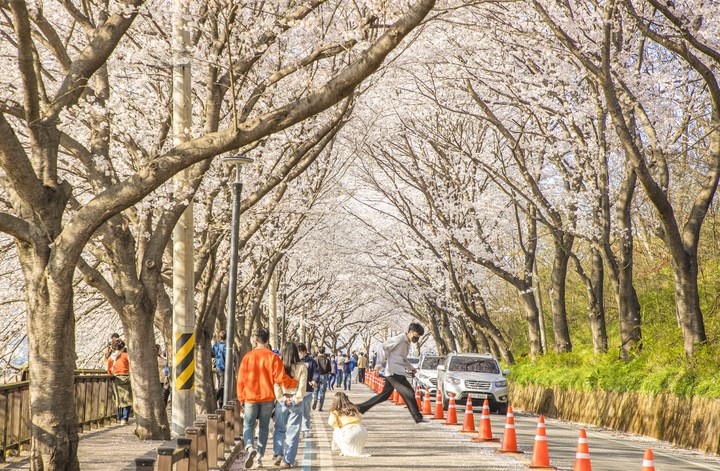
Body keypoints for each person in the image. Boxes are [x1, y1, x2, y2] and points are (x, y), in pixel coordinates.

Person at [237, 327, 298, 469]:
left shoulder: (247, 357)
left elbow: (241, 380)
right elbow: (281, 378)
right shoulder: (273, 357)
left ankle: (250, 446)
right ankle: (258, 458)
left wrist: (241, 398)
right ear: (267, 339)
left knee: (248, 425)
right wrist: (295, 383)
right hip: (267, 398)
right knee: (264, 427)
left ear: (255, 339)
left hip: (250, 397)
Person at [357, 322, 425, 423]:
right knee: (409, 393)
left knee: (384, 395)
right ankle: (418, 417)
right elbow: (383, 347)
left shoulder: (407, 343)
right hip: (394, 372)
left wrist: (412, 369)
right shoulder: (399, 339)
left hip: (396, 371)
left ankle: (360, 408)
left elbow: (403, 359)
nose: (416, 339)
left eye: (418, 337)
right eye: (416, 336)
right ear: (410, 332)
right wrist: (379, 363)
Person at [272, 342, 307, 468]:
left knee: (279, 428)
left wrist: (281, 399)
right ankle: (287, 460)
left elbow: (276, 384)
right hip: (295, 402)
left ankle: (278, 453)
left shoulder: (279, 366)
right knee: (293, 430)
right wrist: (294, 399)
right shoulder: (302, 367)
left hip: (281, 401)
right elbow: (302, 387)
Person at [328, 392, 369, 457]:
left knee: (336, 431)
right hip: (362, 431)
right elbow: (360, 417)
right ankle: (352, 450)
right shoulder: (354, 408)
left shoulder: (335, 411)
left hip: (349, 431)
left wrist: (339, 425)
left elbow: (331, 422)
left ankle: (343, 450)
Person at [107, 339, 132, 425]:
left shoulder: (111, 358)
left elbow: (109, 370)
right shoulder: (126, 355)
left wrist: (111, 375)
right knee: (128, 398)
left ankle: (120, 417)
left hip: (116, 378)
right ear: (122, 347)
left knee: (118, 398)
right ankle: (125, 419)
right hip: (126, 377)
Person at [297, 343, 319, 438]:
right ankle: (296, 430)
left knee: (306, 412)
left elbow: (315, 373)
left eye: (300, 351)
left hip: (307, 391)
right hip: (296, 391)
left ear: (305, 351)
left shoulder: (312, 362)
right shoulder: (295, 361)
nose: (299, 353)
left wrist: (314, 380)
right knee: (296, 412)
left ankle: (306, 430)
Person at [312, 346, 332, 411]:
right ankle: (320, 407)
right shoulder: (327, 359)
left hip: (316, 376)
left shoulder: (314, 359)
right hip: (324, 375)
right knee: (322, 392)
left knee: (315, 390)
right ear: (324, 351)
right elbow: (329, 369)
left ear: (318, 351)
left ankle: (315, 399)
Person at [211, 331, 227, 407]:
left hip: (217, 367)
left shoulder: (216, 345)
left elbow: (212, 354)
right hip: (223, 367)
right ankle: (215, 398)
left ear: (219, 337)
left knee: (222, 385)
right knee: (222, 385)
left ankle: (221, 404)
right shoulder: (226, 347)